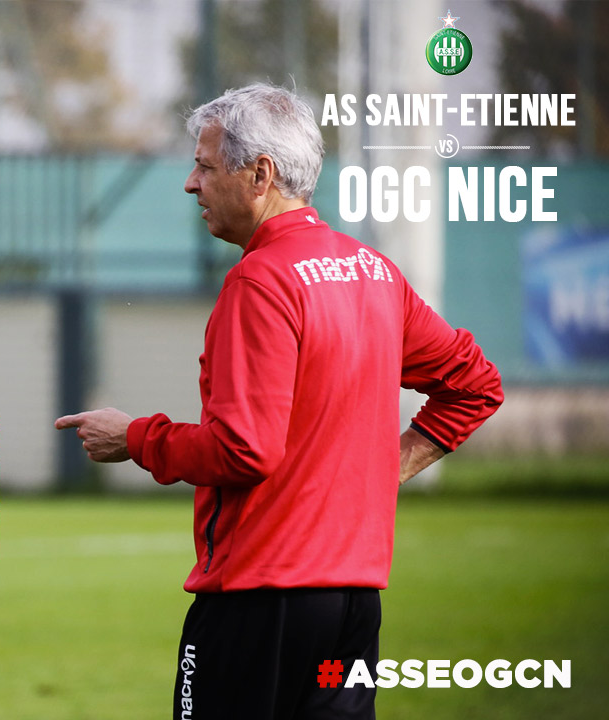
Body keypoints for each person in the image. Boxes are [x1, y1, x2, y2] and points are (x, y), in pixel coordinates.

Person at [55, 83, 503, 720]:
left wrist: (134, 438)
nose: (190, 183)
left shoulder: (260, 281)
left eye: (205, 166)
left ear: (260, 174)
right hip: (354, 605)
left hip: (259, 601)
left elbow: (244, 450)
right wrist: (385, 468)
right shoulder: (374, 271)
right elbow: (475, 385)